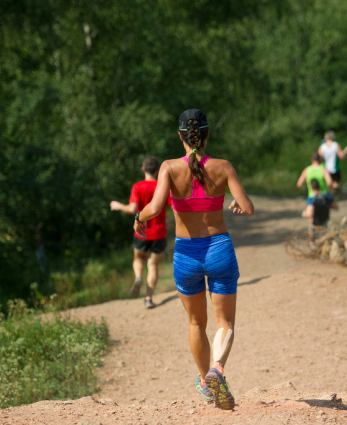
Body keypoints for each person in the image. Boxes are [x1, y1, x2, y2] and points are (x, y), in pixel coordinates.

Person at [134, 109, 254, 410]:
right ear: (208, 134)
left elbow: (155, 206)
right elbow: (248, 207)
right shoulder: (223, 167)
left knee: (195, 323)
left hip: (186, 253)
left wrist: (138, 218)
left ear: (180, 136)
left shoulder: (169, 168)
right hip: (219, 249)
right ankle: (217, 369)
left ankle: (206, 383)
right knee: (224, 321)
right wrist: (238, 205)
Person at [110, 156, 171, 309]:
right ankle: (148, 298)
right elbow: (174, 204)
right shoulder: (162, 186)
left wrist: (118, 205)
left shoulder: (138, 187)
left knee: (138, 259)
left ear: (143, 169)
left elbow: (132, 209)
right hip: (159, 232)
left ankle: (138, 277)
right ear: (158, 171)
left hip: (141, 232)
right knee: (153, 265)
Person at [318, 131, 345, 196]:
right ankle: (339, 194)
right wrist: (345, 156)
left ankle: (333, 196)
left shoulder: (322, 147)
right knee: (336, 183)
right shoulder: (335, 145)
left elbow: (319, 158)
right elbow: (341, 156)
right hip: (335, 168)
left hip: (326, 169)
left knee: (329, 184)